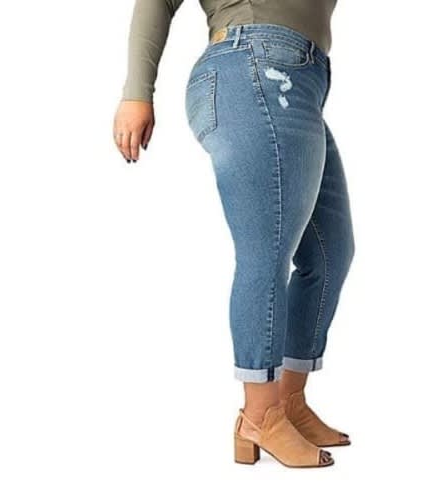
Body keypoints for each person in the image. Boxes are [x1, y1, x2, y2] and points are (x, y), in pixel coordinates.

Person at [113, 0, 355, 468]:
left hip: (302, 81)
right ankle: (260, 416)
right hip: (254, 66)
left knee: (330, 252)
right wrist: (136, 92)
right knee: (266, 249)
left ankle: (290, 403)